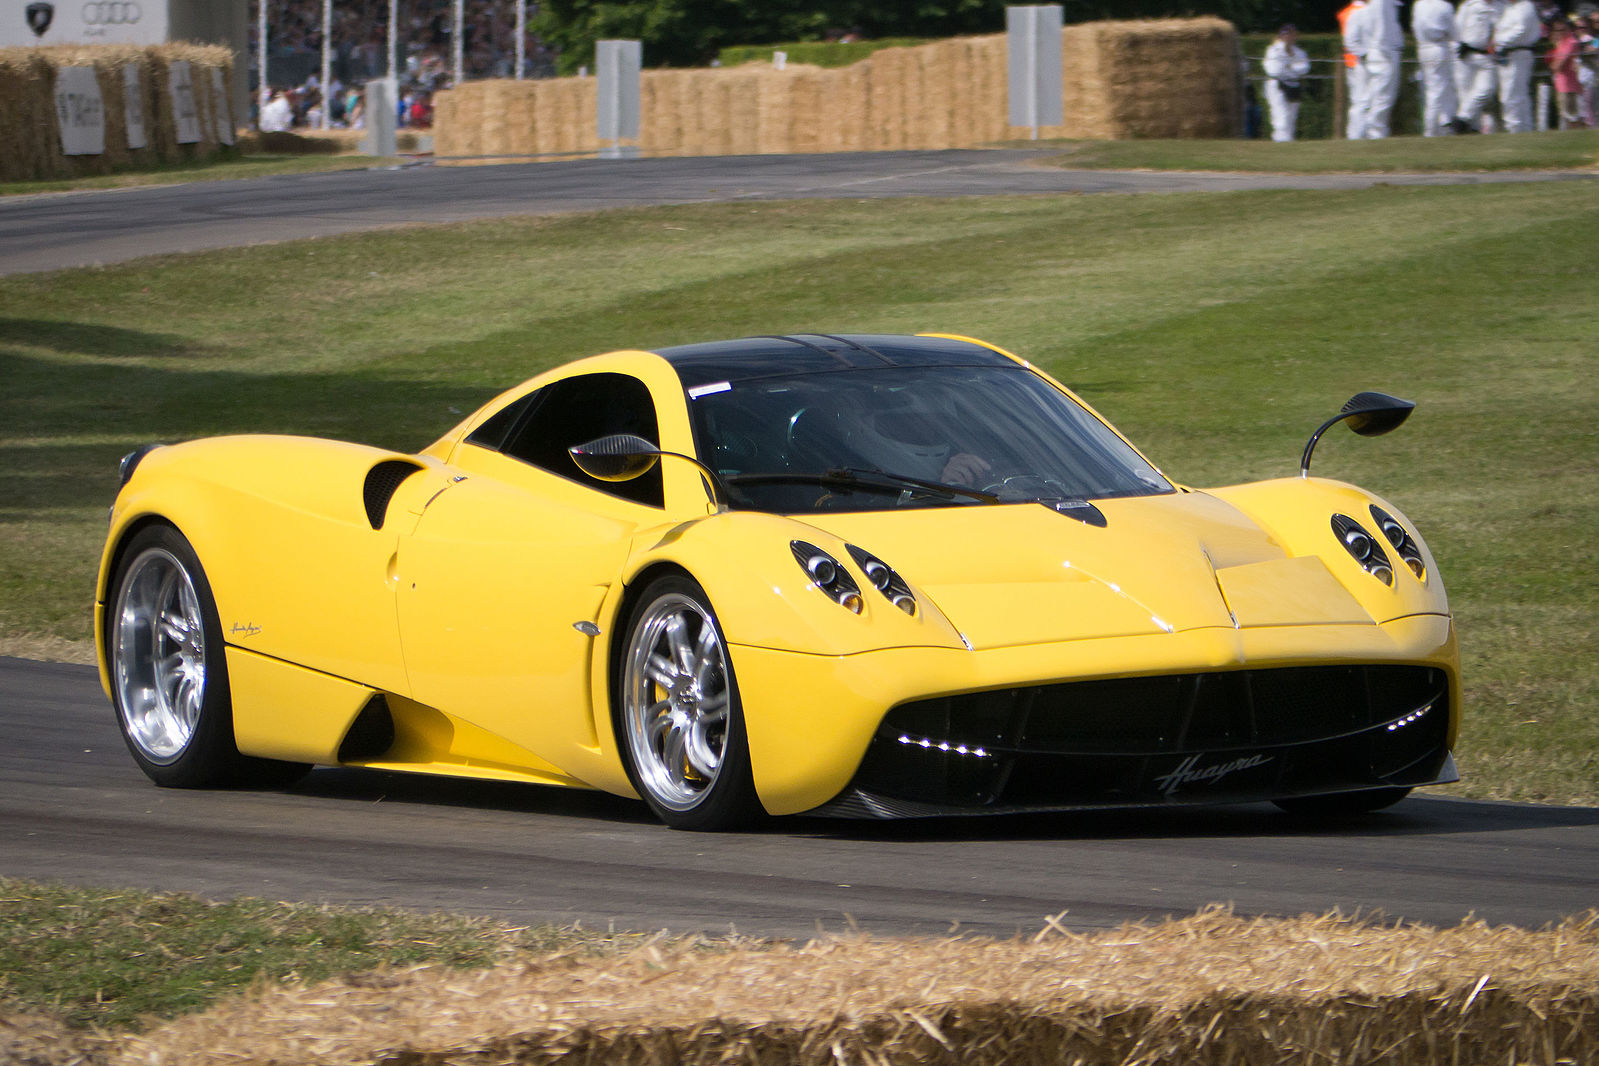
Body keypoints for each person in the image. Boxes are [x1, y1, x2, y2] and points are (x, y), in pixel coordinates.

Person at [1452, 0, 1505, 131]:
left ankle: (1462, 118)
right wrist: (1457, 48)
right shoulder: (1469, 6)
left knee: (1486, 89)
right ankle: (1472, 128)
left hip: (1487, 56)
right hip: (1466, 55)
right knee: (1465, 93)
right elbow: (1456, 29)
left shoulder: (1501, 6)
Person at [1413, 0, 1461, 133]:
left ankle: (1445, 123)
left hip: (1423, 48)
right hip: (1438, 47)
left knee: (1435, 88)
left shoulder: (1418, 5)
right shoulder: (1444, 6)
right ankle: (1431, 129)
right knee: (1438, 90)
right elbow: (1454, 33)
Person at [1494, 0, 1543, 131]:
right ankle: (1523, 127)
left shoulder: (1525, 6)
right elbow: (1499, 29)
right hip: (1507, 53)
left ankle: (1514, 127)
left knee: (1512, 93)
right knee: (1515, 94)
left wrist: (1500, 41)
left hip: (1518, 53)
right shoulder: (1509, 8)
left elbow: (1520, 30)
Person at [1360, 0, 1407, 137]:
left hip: (1381, 51)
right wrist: (1387, 53)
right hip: (1384, 53)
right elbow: (1382, 28)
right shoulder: (1382, 2)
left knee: (1379, 94)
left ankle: (1373, 131)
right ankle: (1376, 133)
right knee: (1383, 96)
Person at [1263, 24, 1313, 141]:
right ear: (1281, 36)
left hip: (1294, 85)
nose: (1289, 37)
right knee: (1281, 117)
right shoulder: (1273, 50)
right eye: (1287, 34)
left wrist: (1289, 67)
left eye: (1292, 34)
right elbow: (1274, 71)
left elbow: (1305, 68)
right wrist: (1291, 66)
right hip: (1277, 85)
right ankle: (1281, 142)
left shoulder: (1299, 52)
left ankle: (1289, 143)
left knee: (1292, 117)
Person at [1340, 0, 1372, 138]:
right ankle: (1357, 134)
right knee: (1362, 101)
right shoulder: (1360, 11)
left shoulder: (1346, 12)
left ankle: (1357, 134)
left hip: (1351, 61)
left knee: (1357, 100)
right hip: (1360, 61)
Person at [1546, 17, 1586, 126]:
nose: (1560, 32)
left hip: (1570, 88)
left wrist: (1555, 63)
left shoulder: (1570, 42)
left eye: (1563, 29)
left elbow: (1557, 65)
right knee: (1565, 119)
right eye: (1557, 30)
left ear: (1569, 29)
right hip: (1561, 86)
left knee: (1573, 119)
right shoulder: (1560, 44)